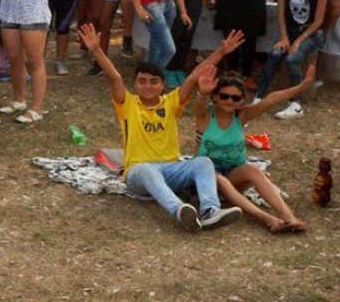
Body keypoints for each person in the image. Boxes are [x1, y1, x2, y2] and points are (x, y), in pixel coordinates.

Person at [79, 23, 245, 232]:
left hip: (170, 170)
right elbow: (115, 77)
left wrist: (221, 51)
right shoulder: (127, 104)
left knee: (203, 162)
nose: (148, 86)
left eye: (153, 82)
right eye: (142, 81)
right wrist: (96, 49)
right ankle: (180, 211)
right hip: (138, 174)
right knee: (148, 169)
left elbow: (194, 77)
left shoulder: (171, 102)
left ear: (163, 85)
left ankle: (210, 211)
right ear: (135, 84)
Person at [192, 68, 313, 233]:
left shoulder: (241, 116)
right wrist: (203, 93)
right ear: (215, 96)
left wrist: (301, 87)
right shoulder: (205, 116)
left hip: (234, 173)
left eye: (236, 98)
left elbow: (270, 100)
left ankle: (289, 217)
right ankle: (267, 219)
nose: (229, 101)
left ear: (242, 100)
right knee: (220, 179)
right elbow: (200, 106)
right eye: (224, 96)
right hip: (208, 176)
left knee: (253, 170)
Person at [254, 0, 327, 120]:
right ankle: (259, 97)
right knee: (274, 54)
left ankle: (296, 104)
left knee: (292, 59)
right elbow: (280, 15)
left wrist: (299, 40)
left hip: (311, 34)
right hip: (290, 31)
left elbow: (319, 21)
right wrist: (285, 37)